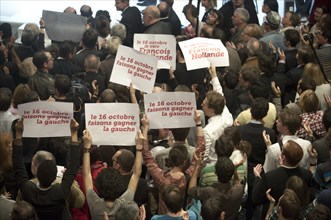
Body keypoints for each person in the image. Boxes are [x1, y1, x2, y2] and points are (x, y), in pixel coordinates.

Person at [13, 118, 81, 220]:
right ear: (55, 176)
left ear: (36, 172)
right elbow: (73, 166)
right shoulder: (61, 191)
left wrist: (18, 133)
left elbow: (18, 164)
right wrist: (74, 133)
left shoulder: (28, 190)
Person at [140, 111, 205, 214]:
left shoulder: (160, 177)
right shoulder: (187, 177)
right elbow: (201, 148)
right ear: (184, 162)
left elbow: (146, 155)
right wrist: (198, 123)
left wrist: (145, 128)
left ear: (169, 159)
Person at [83, 129, 143, 219]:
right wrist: (139, 147)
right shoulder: (124, 204)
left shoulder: (94, 203)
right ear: (119, 186)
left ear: (98, 185)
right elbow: (136, 174)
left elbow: (86, 173)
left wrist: (87, 147)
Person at [252, 140, 312, 218]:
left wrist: (257, 177)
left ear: (283, 157)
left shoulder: (270, 177)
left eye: (282, 150)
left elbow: (255, 198)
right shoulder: (307, 174)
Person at [202, 66, 233, 166]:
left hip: (211, 167)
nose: (202, 104)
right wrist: (214, 75)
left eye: (205, 104)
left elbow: (204, 157)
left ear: (212, 109)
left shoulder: (207, 131)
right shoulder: (227, 117)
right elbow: (220, 93)